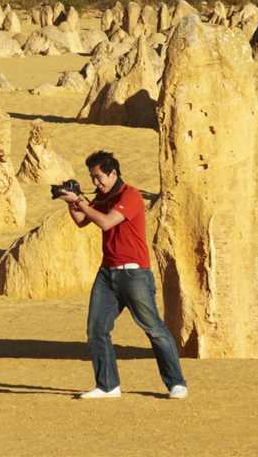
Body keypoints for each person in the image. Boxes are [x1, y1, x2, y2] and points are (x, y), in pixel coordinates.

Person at [59, 150, 187, 400]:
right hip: (107, 275)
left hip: (134, 274)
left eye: (98, 177)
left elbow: (107, 222)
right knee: (97, 329)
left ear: (113, 173)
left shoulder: (130, 195)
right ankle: (108, 386)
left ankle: (176, 383)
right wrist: (71, 202)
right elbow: (82, 221)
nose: (96, 183)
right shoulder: (103, 197)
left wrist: (83, 202)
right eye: (92, 178)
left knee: (154, 329)